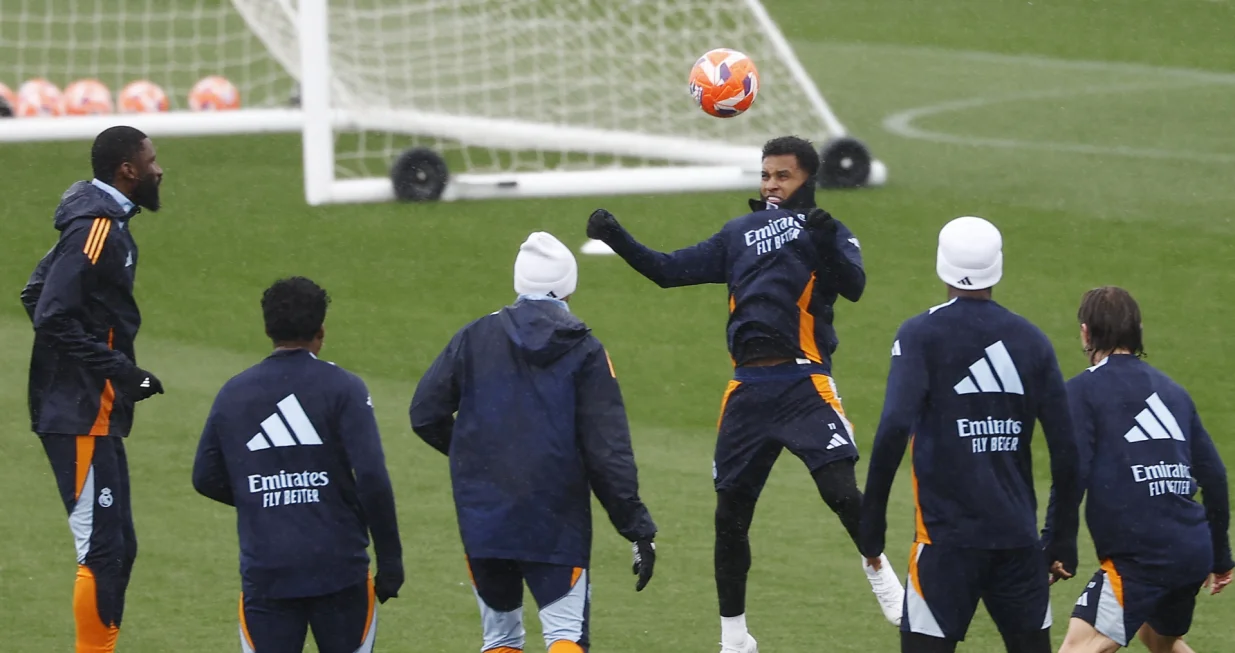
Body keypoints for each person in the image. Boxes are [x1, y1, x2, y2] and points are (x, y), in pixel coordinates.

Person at [585, 135, 903, 652]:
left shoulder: (828, 230)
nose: (771, 185)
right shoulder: (738, 232)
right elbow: (668, 272)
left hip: (805, 382)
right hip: (747, 390)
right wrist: (615, 236)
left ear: (807, 180)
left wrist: (824, 240)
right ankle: (734, 638)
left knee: (842, 494)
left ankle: (879, 571)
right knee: (730, 517)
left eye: (783, 176)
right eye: (765, 175)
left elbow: (854, 285)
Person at [410, 232, 658, 653]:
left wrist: (479, 459)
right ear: (568, 286)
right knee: (564, 636)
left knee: (501, 638)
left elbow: (425, 414)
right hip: (555, 516)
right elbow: (607, 451)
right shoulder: (584, 348)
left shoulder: (473, 337)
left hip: (486, 517)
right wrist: (637, 529)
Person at [857, 216, 1083, 653]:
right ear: (997, 265)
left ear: (941, 264)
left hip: (944, 545)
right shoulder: (1032, 341)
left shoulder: (920, 334)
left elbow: (893, 430)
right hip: (1018, 543)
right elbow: (1067, 452)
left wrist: (873, 524)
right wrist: (1062, 538)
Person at [192, 277, 403, 653]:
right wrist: (390, 561)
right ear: (320, 332)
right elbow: (371, 476)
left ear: (267, 329)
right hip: (339, 568)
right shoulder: (345, 388)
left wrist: (261, 497)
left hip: (268, 570)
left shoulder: (234, 392)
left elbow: (205, 477)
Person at [21, 125, 164, 653]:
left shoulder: (106, 224)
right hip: (79, 412)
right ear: (127, 169)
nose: (158, 169)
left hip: (91, 407)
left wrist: (96, 372)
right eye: (151, 160)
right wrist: (118, 372)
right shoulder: (97, 228)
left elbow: (35, 292)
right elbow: (52, 314)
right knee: (102, 550)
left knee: (120, 546)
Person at [1047, 286, 1231, 653]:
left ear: (1086, 333)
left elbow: (1072, 474)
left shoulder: (1081, 391)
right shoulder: (1173, 392)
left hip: (1142, 557)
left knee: (1076, 648)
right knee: (1158, 639)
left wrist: (1056, 546)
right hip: (1191, 551)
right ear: (1138, 330)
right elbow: (1215, 476)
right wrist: (1221, 556)